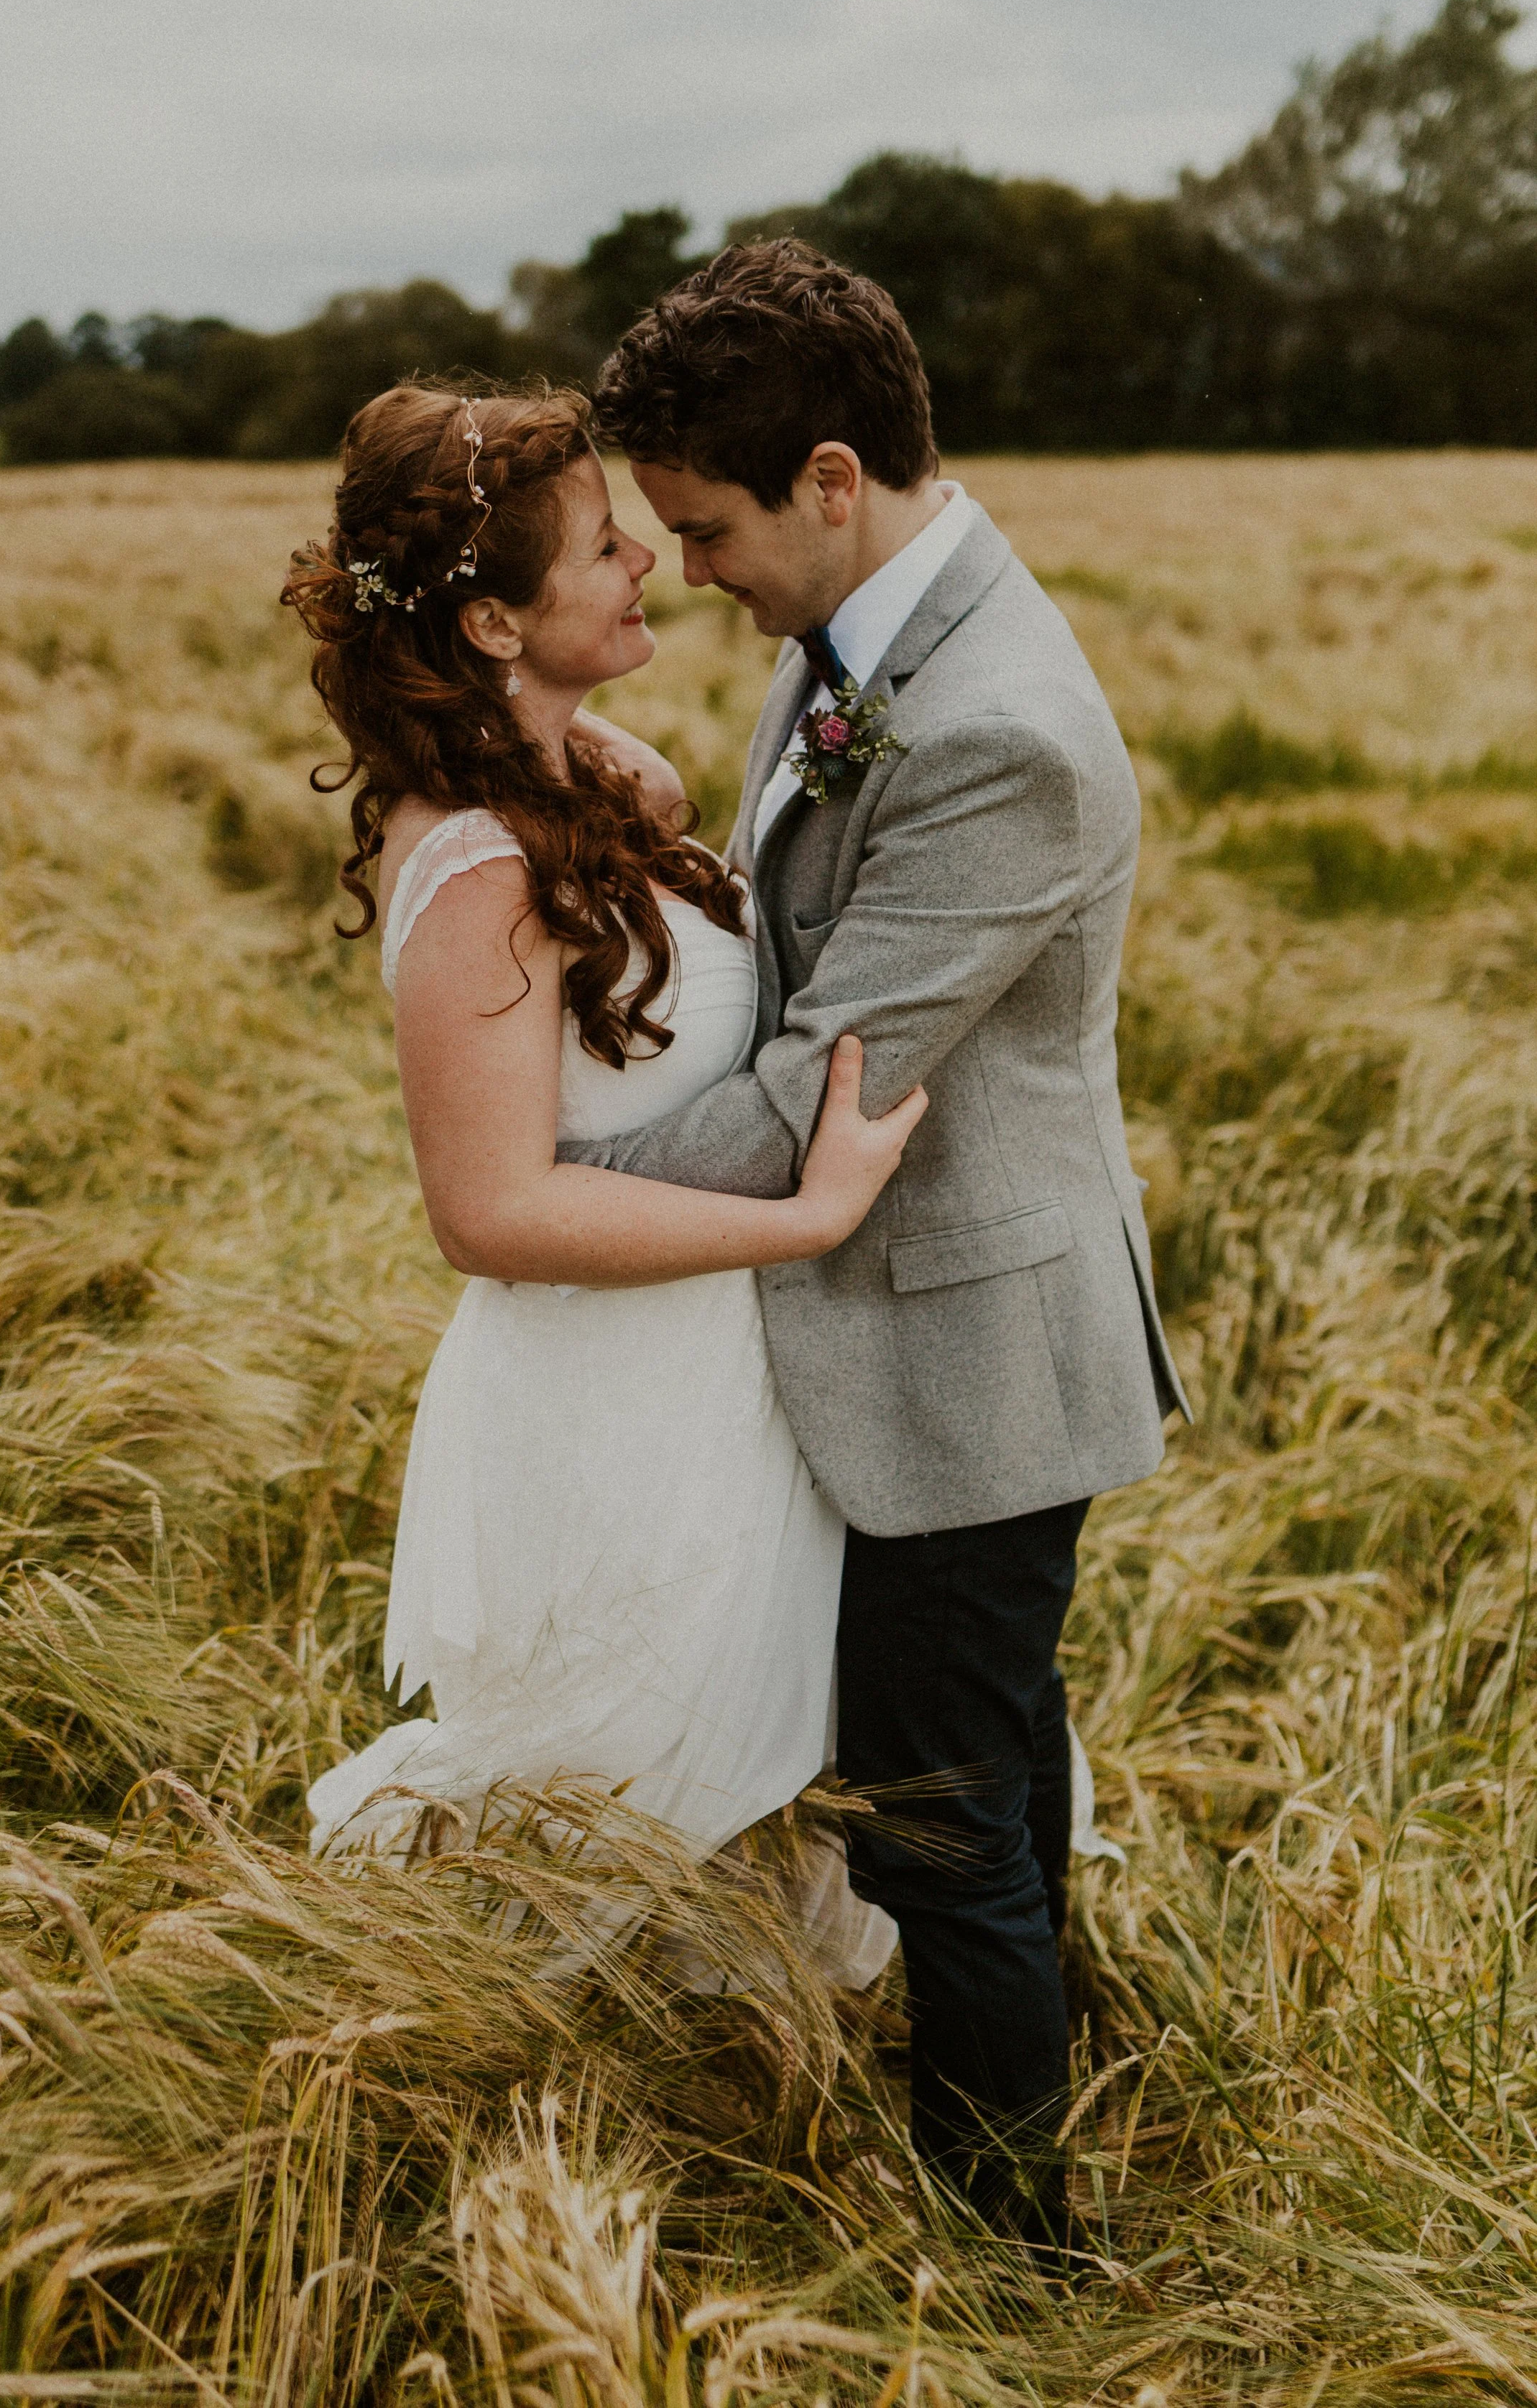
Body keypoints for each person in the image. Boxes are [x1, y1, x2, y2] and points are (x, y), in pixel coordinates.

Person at [564, 239, 1190, 2244]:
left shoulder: (998, 726)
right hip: (894, 1319)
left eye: (708, 530)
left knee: (943, 1825)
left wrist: (543, 1203)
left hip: (964, 1351)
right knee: (985, 1782)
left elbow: (821, 1090)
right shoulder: (852, 631)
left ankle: (1015, 2259)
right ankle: (1031, 2156)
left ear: (830, 477)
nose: (690, 576)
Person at [285, 381, 920, 1988]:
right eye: (596, 544)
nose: (647, 556)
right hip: (612, 1400)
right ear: (495, 620)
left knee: (757, 1797)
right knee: (586, 1833)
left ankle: (741, 2127)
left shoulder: (600, 788)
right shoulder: (478, 868)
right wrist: (804, 1217)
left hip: (726, 1373)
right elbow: (484, 1212)